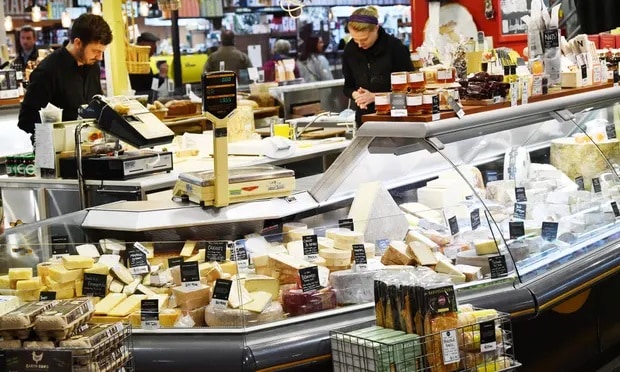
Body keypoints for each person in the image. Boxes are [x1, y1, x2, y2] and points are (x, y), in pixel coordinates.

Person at [17, 13, 112, 136]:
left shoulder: (93, 66)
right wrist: (60, 131)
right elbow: (26, 120)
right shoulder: (48, 70)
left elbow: (95, 106)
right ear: (78, 43)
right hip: (55, 151)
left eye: (102, 52)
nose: (100, 57)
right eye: (95, 51)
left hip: (90, 147)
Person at [342, 6, 413, 127]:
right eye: (355, 39)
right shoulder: (350, 50)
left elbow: (410, 91)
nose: (359, 44)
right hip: (364, 122)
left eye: (364, 39)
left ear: (376, 28)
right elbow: (348, 87)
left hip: (395, 121)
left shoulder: (395, 48)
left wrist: (375, 97)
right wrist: (358, 96)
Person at [128, 32, 160, 101]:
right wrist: (161, 76)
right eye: (153, 44)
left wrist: (160, 76)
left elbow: (152, 85)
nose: (154, 48)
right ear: (142, 44)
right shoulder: (136, 62)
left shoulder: (144, 61)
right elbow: (150, 85)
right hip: (140, 100)